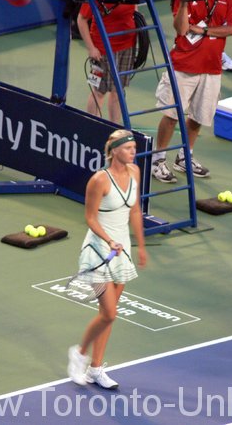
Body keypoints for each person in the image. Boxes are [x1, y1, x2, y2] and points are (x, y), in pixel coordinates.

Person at [67, 129, 147, 389]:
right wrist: (109, 240)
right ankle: (79, 354)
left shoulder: (135, 172)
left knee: (107, 314)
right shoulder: (99, 180)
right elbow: (90, 218)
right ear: (114, 151)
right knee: (110, 313)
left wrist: (141, 246)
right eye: (128, 148)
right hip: (98, 252)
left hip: (122, 253)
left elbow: (135, 210)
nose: (133, 151)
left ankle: (96, 368)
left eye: (134, 147)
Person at [151, 0, 232, 183]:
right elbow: (182, 29)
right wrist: (183, 0)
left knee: (198, 116)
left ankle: (184, 157)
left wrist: (205, 30)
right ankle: (158, 160)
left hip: (212, 67)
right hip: (183, 65)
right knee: (172, 115)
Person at [77, 0, 137, 124]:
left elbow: (134, 10)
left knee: (118, 91)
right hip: (102, 49)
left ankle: (114, 127)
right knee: (99, 91)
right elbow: (81, 19)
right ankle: (92, 126)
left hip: (127, 46)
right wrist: (91, 48)